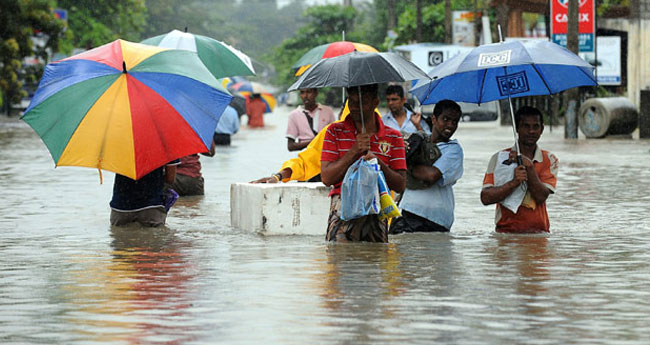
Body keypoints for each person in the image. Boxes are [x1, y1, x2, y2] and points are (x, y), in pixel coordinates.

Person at [321, 84, 407, 243]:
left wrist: (377, 162)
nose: (355, 107)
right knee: (339, 259)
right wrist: (354, 151)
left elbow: (400, 184)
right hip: (342, 204)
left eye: (362, 102)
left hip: (376, 207)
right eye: (351, 102)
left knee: (376, 260)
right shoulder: (334, 131)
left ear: (375, 102)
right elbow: (326, 178)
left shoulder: (393, 137)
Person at [480, 106, 558, 233]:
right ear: (517, 128)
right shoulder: (499, 158)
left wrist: (529, 168)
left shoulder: (549, 159)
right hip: (506, 232)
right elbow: (486, 198)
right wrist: (513, 183)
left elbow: (541, 196)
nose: (531, 131)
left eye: (536, 126)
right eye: (526, 126)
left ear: (542, 129)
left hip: (539, 233)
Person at [389, 100, 463, 234]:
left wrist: (405, 165)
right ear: (434, 119)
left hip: (436, 220)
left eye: (455, 121)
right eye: (446, 119)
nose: (450, 125)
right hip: (408, 213)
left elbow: (431, 176)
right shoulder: (418, 140)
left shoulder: (453, 150)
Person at [110, 160, 180, 227]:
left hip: (121, 206)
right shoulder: (165, 147)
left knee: (120, 237)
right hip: (151, 205)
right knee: (155, 237)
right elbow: (170, 179)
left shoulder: (120, 148)